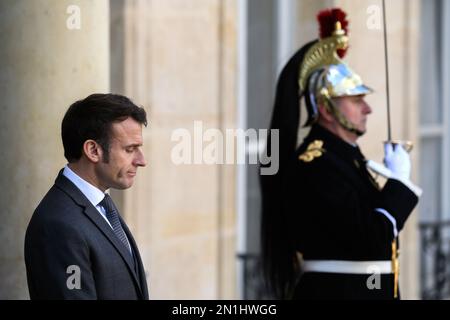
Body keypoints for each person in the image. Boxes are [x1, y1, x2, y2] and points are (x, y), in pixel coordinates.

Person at [260, 8, 421, 300]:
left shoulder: (345, 157)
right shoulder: (315, 164)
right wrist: (399, 186)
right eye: (356, 100)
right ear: (325, 109)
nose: (367, 109)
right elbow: (372, 238)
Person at [25, 93, 149, 299]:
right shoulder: (58, 225)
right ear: (93, 150)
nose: (141, 160)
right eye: (130, 149)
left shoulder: (100, 205)